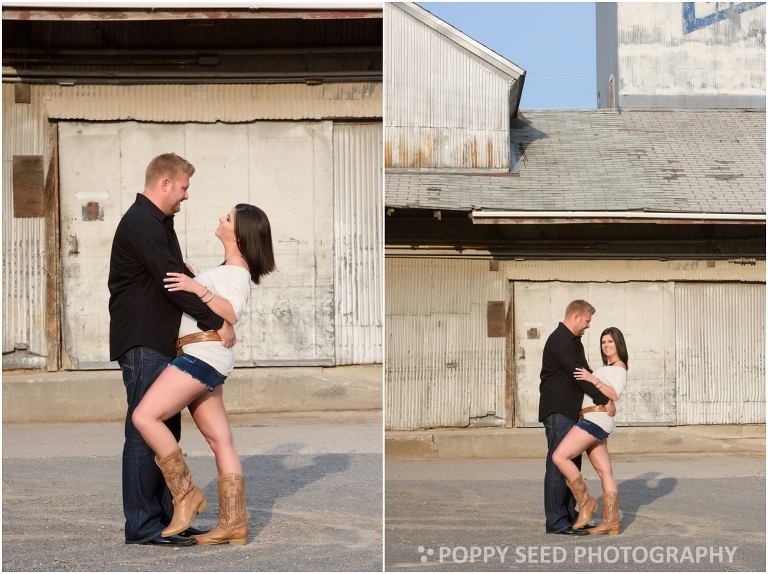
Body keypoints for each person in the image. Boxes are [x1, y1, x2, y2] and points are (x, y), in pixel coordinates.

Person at [109, 153, 235, 546]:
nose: (186, 196)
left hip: (160, 341)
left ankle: (170, 520)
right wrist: (216, 322)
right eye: (183, 188)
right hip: (143, 342)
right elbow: (171, 282)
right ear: (165, 184)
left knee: (163, 430)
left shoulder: (158, 222)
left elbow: (178, 277)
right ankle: (144, 525)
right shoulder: (143, 223)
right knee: (143, 431)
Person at [132, 203, 276, 546]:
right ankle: (233, 523)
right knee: (220, 440)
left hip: (201, 355)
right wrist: (196, 281)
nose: (220, 219)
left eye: (227, 218)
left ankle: (186, 495)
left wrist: (199, 288)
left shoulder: (237, 269)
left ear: (239, 234)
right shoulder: (229, 268)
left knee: (144, 416)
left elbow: (231, 312)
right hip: (207, 355)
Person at [538, 299, 615, 535]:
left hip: (572, 411)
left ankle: (573, 517)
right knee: (557, 465)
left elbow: (586, 372)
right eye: (587, 321)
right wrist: (604, 400)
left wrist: (605, 386)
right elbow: (577, 375)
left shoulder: (574, 341)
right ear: (576, 317)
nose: (589, 326)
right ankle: (557, 522)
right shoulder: (560, 340)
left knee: (571, 464)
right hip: (558, 411)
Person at [552, 327, 628, 535]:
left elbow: (615, 394)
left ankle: (585, 502)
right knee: (605, 472)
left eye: (610, 341)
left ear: (619, 343)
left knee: (559, 457)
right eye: (603, 342)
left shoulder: (619, 366)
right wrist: (594, 374)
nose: (606, 345)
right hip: (597, 419)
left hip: (595, 419)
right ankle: (611, 521)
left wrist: (593, 378)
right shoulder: (609, 367)